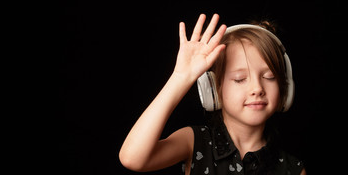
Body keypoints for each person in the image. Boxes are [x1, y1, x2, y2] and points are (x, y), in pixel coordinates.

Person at [119, 14, 306, 174]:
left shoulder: (293, 168)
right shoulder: (194, 142)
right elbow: (133, 158)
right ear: (212, 89)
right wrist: (181, 77)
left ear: (285, 88)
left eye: (270, 77)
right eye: (240, 79)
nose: (257, 88)